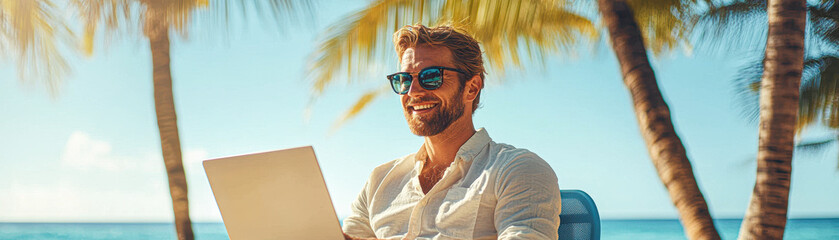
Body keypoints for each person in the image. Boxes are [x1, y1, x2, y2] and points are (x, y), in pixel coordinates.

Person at [342, 24, 561, 240]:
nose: (413, 91)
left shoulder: (515, 170)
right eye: (404, 80)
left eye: (431, 77)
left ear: (471, 88)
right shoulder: (379, 181)